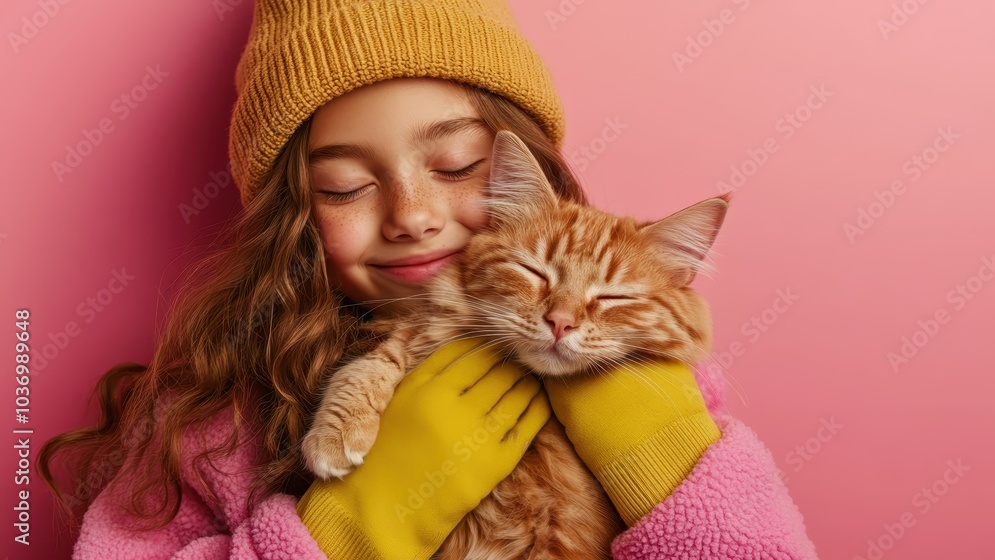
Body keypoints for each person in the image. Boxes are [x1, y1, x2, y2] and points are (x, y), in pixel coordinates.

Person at [40, 1, 820, 558]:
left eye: (456, 166)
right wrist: (341, 538)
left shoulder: (645, 363)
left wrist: (665, 466)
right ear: (292, 216)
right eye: (343, 186)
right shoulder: (210, 415)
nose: (411, 215)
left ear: (525, 177)